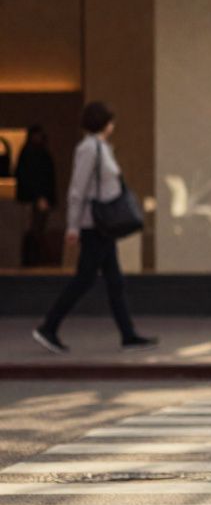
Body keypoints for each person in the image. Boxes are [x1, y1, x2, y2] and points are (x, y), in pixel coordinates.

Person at [32, 104, 156, 355]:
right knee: (85, 278)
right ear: (104, 123)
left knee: (114, 280)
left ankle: (128, 334)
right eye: (111, 121)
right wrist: (73, 226)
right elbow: (77, 190)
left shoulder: (101, 147)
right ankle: (49, 326)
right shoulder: (89, 149)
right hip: (95, 224)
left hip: (102, 226)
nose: (113, 125)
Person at [15, 126, 58, 266]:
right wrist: (39, 196)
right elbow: (29, 177)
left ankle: (34, 258)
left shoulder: (40, 154)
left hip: (36, 197)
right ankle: (31, 259)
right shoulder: (31, 154)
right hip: (33, 198)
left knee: (36, 229)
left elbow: (47, 178)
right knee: (32, 230)